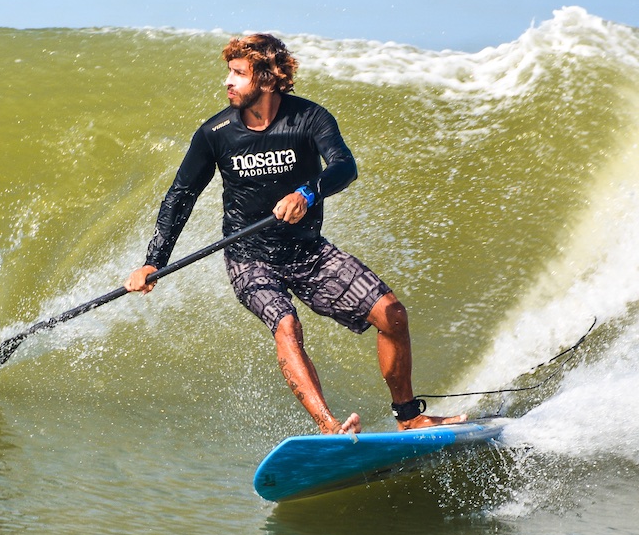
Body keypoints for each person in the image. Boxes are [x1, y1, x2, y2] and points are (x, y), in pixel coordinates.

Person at [124, 33, 464, 434]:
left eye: (238, 74)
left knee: (393, 315)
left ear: (267, 79)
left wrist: (308, 192)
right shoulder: (215, 134)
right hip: (249, 258)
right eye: (228, 73)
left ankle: (410, 417)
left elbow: (344, 166)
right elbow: (180, 196)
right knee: (286, 325)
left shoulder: (309, 118)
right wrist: (153, 262)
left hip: (309, 252)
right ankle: (328, 427)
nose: (227, 82)